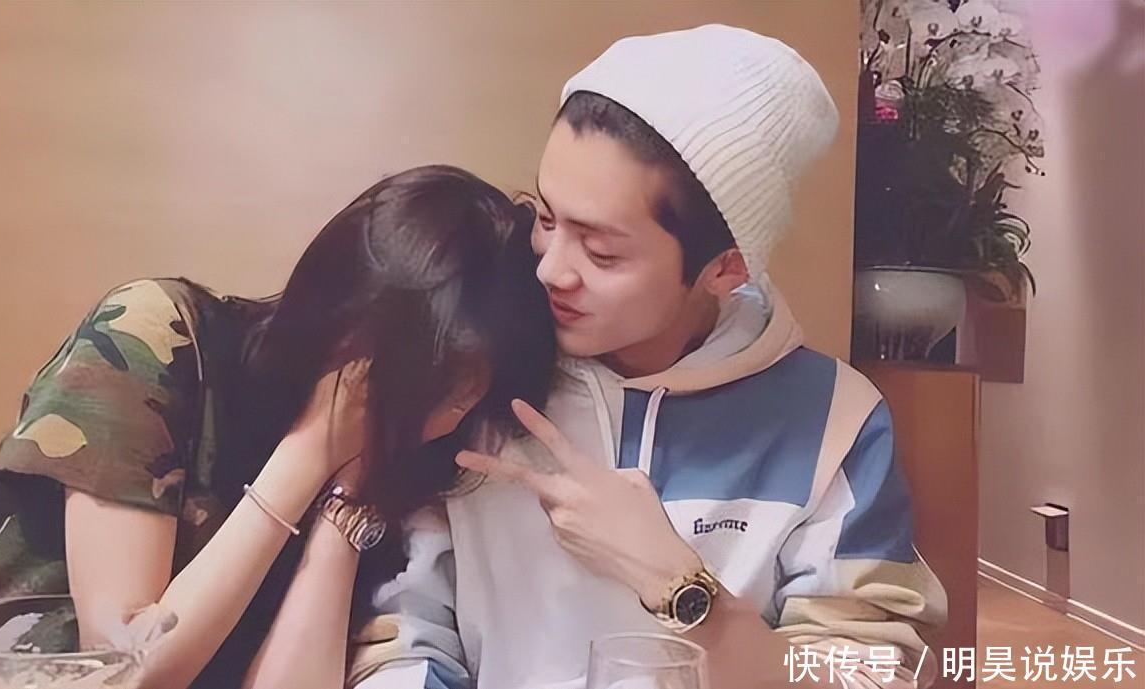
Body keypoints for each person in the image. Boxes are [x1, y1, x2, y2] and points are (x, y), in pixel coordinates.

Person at [349, 25, 947, 689]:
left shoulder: (834, 421)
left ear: (725, 269)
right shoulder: (477, 372)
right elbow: (401, 636)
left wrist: (677, 583)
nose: (550, 269)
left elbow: (874, 675)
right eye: (546, 218)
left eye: (601, 252)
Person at [0, 165, 557, 689]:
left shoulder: (406, 466)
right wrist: (307, 454)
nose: (439, 423)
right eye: (433, 390)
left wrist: (343, 511)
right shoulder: (158, 337)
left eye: (467, 398)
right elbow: (125, 667)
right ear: (348, 324)